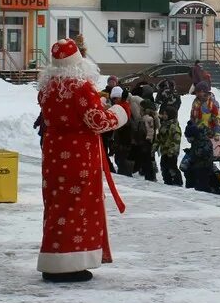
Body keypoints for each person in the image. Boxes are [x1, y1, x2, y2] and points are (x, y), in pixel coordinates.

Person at [36, 38, 128, 283]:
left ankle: (53, 258)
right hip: (79, 156)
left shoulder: (47, 87)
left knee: (57, 205)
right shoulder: (80, 87)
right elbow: (96, 121)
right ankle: (71, 263)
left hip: (54, 154)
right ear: (78, 62)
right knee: (79, 206)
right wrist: (120, 113)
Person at [155, 106, 183, 186]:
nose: (163, 116)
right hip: (164, 151)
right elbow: (159, 137)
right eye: (163, 114)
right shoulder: (164, 125)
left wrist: (172, 151)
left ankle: (177, 182)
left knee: (172, 167)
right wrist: (155, 146)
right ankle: (167, 182)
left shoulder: (174, 126)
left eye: (165, 114)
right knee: (164, 167)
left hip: (171, 152)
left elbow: (176, 140)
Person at [133, 99, 159, 182]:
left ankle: (151, 176)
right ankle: (148, 174)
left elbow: (151, 131)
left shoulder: (148, 118)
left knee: (148, 160)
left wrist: (148, 140)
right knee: (146, 159)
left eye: (141, 108)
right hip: (144, 142)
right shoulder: (145, 118)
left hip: (147, 143)